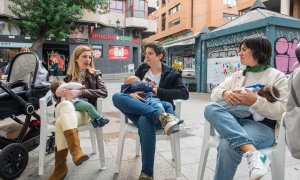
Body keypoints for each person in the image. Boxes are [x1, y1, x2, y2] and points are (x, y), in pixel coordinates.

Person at [204, 34, 288, 180]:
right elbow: (215, 93)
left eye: (244, 49)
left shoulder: (277, 77)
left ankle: (252, 153)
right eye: (240, 49)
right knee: (210, 108)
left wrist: (255, 101)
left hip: (263, 127)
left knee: (227, 145)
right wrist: (225, 93)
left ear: (258, 52)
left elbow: (284, 111)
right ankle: (253, 153)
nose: (239, 53)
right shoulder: (238, 75)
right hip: (234, 123)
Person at [112, 42, 189, 179]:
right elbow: (129, 85)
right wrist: (131, 94)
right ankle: (160, 116)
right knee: (117, 96)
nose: (146, 56)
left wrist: (157, 90)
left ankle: (147, 173)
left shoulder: (172, 73)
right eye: (145, 53)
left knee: (145, 119)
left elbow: (184, 94)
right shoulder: (142, 69)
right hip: (142, 108)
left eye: (150, 53)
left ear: (160, 56)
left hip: (161, 110)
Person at [48, 45, 108, 180]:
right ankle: (76, 151)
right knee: (64, 104)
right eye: (84, 57)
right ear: (76, 59)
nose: (88, 60)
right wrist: (58, 94)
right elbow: (59, 97)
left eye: (89, 57)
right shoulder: (68, 77)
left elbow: (104, 92)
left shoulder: (95, 74)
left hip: (83, 113)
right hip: (67, 111)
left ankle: (60, 168)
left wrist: (80, 92)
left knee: (59, 123)